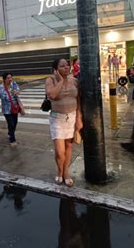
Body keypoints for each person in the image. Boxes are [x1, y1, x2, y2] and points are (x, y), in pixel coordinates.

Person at [46, 58, 83, 187]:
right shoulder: (51, 80)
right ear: (55, 69)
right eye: (62, 66)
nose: (66, 68)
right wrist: (61, 81)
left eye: (67, 65)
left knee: (68, 146)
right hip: (57, 119)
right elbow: (52, 95)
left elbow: (79, 101)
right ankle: (59, 170)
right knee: (59, 152)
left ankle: (65, 172)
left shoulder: (74, 80)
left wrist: (79, 118)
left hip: (71, 117)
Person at [0, 72, 21, 146]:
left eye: (11, 77)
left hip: (15, 107)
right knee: (11, 124)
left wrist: (17, 92)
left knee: (15, 123)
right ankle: (12, 139)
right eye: (8, 78)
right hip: (6, 109)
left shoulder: (14, 84)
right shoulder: (0, 88)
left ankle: (10, 132)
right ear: (4, 79)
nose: (10, 79)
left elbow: (18, 91)